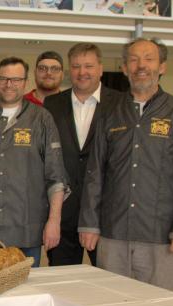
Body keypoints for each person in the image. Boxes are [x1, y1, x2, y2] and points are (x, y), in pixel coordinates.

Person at [79, 38, 173, 291]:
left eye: (148, 58)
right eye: (133, 60)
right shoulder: (109, 112)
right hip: (113, 233)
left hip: (161, 236)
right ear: (124, 68)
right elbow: (95, 172)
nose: (140, 65)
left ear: (162, 67)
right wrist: (89, 223)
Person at [0, 56, 68, 267]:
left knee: (26, 296)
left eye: (16, 79)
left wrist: (54, 221)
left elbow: (56, 177)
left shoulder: (42, 119)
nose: (9, 85)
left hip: (26, 231)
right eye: (3, 79)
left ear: (25, 82)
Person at [44, 43, 120, 267]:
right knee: (63, 282)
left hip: (106, 215)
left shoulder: (120, 103)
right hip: (63, 214)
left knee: (109, 286)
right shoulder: (52, 104)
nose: (82, 72)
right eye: (76, 66)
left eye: (88, 66)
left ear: (101, 68)